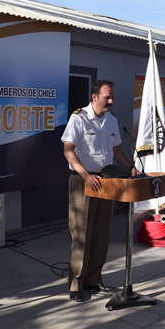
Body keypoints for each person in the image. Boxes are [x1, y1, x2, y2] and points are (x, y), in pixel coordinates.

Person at [61, 80, 139, 302]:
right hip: (84, 181)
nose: (111, 101)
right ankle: (76, 284)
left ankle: (93, 280)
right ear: (94, 97)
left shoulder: (111, 120)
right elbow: (68, 150)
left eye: (112, 97)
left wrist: (130, 167)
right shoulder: (79, 118)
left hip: (106, 181)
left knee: (101, 234)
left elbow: (115, 148)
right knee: (81, 235)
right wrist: (86, 175)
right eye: (107, 97)